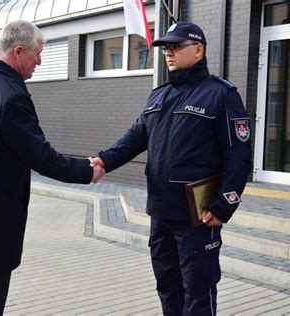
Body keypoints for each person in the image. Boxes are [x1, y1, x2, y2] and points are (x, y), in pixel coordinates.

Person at [90, 22, 253, 315]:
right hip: (160, 213)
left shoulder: (221, 95)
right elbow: (136, 136)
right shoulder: (158, 95)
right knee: (167, 285)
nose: (169, 53)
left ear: (199, 50)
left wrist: (224, 206)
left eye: (176, 47)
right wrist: (104, 160)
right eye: (166, 48)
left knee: (198, 290)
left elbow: (239, 158)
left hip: (198, 217)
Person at [0, 20, 106, 315]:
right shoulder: (10, 96)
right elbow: (40, 156)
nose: (40, 60)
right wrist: (87, 171)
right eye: (37, 53)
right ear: (18, 51)